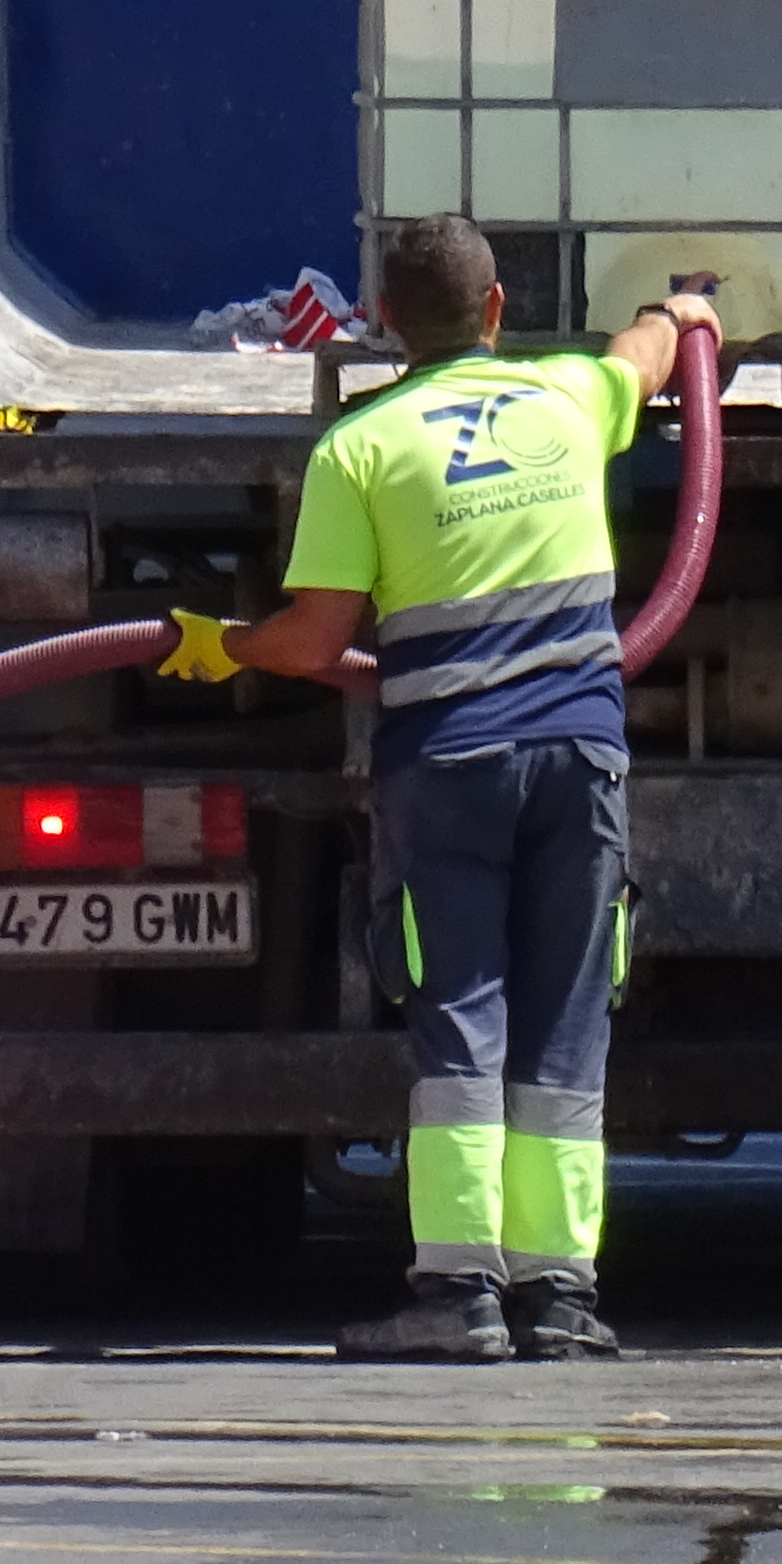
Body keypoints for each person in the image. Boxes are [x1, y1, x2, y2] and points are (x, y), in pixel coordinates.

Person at [164, 216, 690, 1364]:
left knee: (462, 1015)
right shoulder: (565, 400)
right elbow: (641, 361)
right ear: (497, 309)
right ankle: (561, 1295)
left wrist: (224, 645)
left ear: (386, 322)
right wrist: (679, 315)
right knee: (566, 1024)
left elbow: (314, 641)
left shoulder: (359, 447)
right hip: (579, 762)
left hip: (450, 769)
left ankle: (458, 1294)